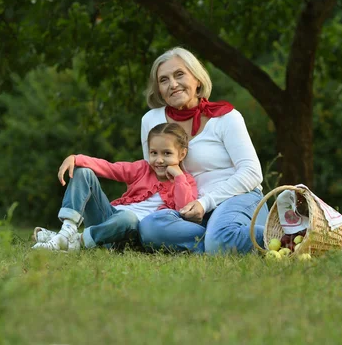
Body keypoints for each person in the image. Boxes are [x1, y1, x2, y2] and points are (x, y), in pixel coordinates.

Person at [138, 47, 270, 254]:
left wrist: (205, 202)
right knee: (149, 228)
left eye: (179, 74)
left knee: (218, 240)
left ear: (197, 79)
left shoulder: (226, 117)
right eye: (164, 80)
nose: (173, 84)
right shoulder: (151, 120)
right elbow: (154, 178)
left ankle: (289, 235)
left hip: (237, 199)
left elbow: (252, 173)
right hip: (188, 209)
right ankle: (221, 240)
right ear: (159, 89)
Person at [32, 123, 197, 252]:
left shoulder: (186, 181)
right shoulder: (142, 169)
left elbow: (184, 210)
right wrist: (76, 158)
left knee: (128, 217)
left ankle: (76, 240)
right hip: (109, 218)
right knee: (83, 172)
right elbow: (110, 168)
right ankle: (67, 230)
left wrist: (179, 177)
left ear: (182, 154)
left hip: (128, 233)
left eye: (166, 153)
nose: (159, 160)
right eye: (154, 153)